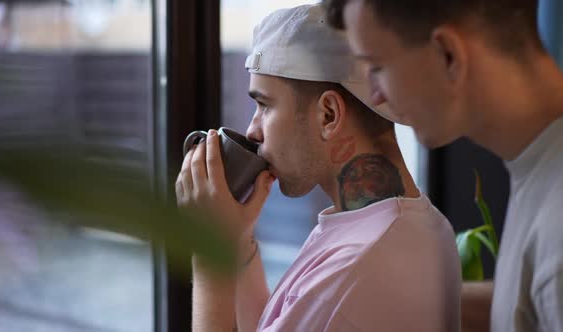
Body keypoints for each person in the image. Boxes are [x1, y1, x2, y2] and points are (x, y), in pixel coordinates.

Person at [176, 4, 461, 331]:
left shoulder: (355, 264)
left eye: (264, 105)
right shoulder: (415, 226)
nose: (253, 130)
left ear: (328, 115)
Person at [323, 0, 563, 331]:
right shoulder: (540, 164)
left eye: (377, 67)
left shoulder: (556, 228)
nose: (376, 95)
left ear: (447, 55)